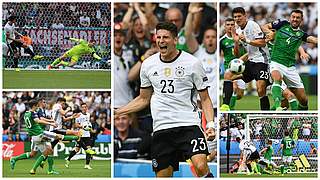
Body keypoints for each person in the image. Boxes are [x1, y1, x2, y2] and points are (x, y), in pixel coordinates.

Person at [115, 22, 215, 177]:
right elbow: (143, 99)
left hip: (188, 124)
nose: (161, 40)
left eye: (166, 37)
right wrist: (118, 111)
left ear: (175, 40)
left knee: (201, 166)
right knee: (163, 175)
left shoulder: (192, 63)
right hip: (162, 128)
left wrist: (210, 124)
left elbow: (205, 98)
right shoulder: (148, 65)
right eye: (158, 37)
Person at [262, 9, 318, 110]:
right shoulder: (282, 24)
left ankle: (301, 118)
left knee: (304, 100)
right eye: (293, 17)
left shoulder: (301, 34)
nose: (295, 19)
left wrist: (302, 52)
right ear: (290, 17)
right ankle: (277, 107)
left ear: (302, 20)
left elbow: (314, 40)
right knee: (277, 78)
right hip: (276, 62)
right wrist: (270, 32)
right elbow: (264, 26)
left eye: (297, 18)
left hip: (290, 68)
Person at [230, 7, 271, 110]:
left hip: (262, 60)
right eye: (235, 17)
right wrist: (235, 41)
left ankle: (265, 115)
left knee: (260, 89)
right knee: (229, 77)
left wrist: (247, 40)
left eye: (239, 16)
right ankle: (227, 106)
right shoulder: (238, 31)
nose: (237, 19)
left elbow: (262, 42)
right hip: (251, 60)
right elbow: (236, 54)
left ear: (245, 16)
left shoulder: (253, 25)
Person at [9, 99, 59, 174]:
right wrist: (51, 123)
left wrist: (50, 121)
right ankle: (45, 169)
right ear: (36, 104)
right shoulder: (35, 112)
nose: (44, 103)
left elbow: (38, 120)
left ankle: (15, 159)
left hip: (36, 134)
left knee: (36, 153)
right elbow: (39, 120)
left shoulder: (27, 112)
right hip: (38, 134)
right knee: (49, 149)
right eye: (43, 102)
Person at [220, 18, 246, 110]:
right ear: (224, 26)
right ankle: (228, 110)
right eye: (228, 25)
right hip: (229, 68)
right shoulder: (222, 41)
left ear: (235, 26)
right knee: (233, 87)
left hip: (242, 68)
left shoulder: (241, 38)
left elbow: (247, 52)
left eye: (232, 24)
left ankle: (230, 106)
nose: (230, 26)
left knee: (239, 95)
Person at [65, 103, 96, 169]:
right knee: (77, 150)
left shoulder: (88, 114)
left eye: (85, 107)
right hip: (80, 134)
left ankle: (87, 165)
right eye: (83, 107)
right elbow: (76, 125)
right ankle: (68, 159)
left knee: (89, 149)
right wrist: (82, 126)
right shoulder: (79, 115)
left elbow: (88, 124)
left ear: (87, 108)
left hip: (87, 135)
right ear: (81, 108)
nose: (84, 108)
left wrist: (90, 128)